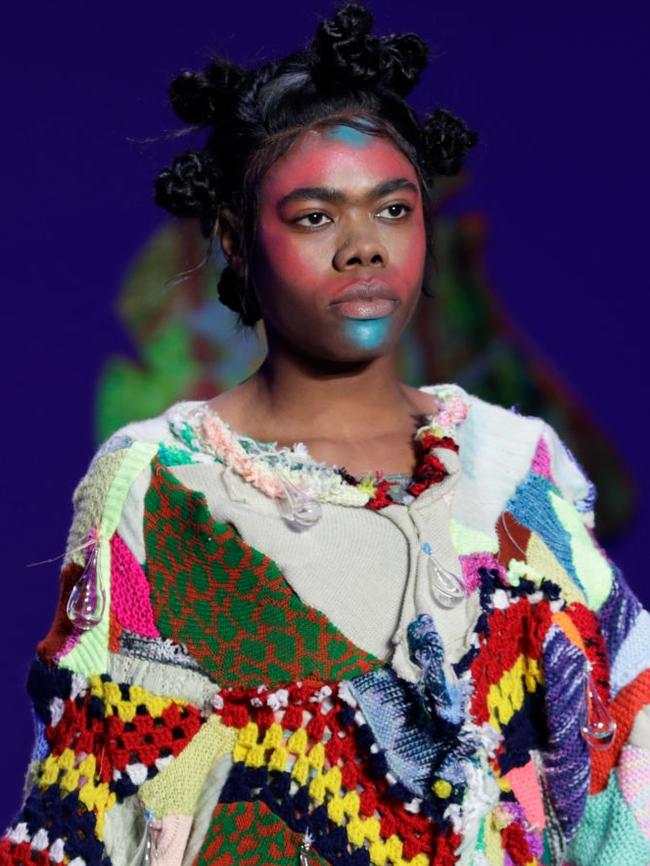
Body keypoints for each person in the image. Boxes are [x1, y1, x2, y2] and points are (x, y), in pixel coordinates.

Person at [2, 5, 649, 866]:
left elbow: (618, 783)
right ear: (235, 240)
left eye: (392, 210)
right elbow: (86, 803)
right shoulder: (158, 482)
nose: (363, 249)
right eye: (315, 217)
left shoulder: (513, 465)